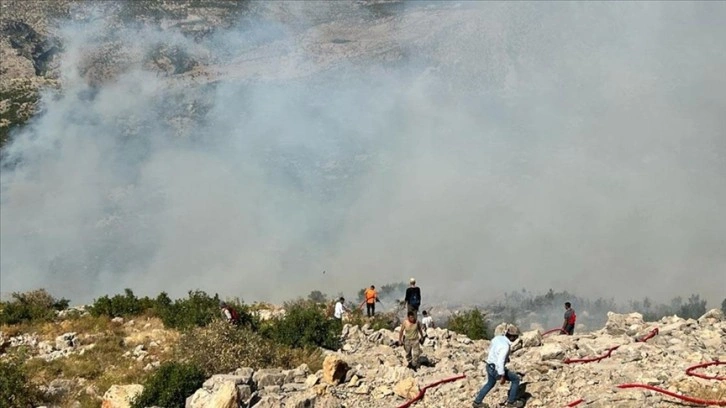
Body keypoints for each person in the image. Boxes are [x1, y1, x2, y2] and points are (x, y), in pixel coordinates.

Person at [472, 325, 524, 408]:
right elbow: (500, 362)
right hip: (496, 368)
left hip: (489, 365)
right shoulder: (505, 346)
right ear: (512, 337)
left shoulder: (497, 338)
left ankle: (477, 402)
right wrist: (502, 375)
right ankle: (511, 402)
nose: (516, 339)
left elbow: (493, 350)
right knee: (515, 379)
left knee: (490, 383)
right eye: (516, 337)